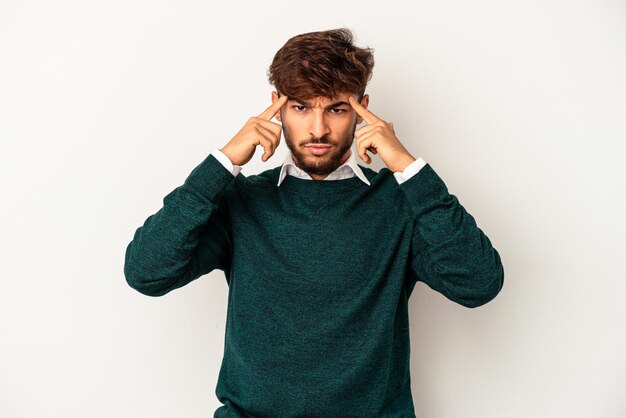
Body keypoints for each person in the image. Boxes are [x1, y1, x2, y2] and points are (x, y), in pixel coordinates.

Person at [124, 28, 504, 418]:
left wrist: (409, 168)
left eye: (336, 109)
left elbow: (479, 284)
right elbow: (146, 272)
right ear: (277, 106)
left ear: (362, 109)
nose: (318, 129)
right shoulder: (242, 199)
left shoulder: (401, 201)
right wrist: (222, 163)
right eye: (302, 107)